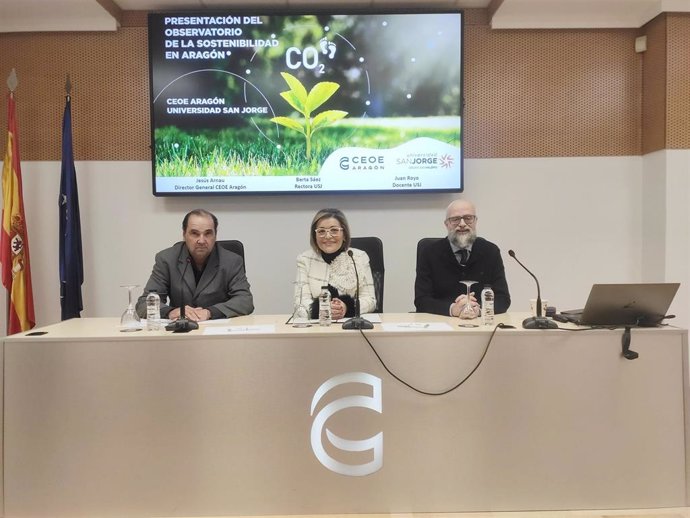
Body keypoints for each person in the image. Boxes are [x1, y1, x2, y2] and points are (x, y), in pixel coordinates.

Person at [136, 209, 253, 321]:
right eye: (194, 233)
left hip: (218, 332)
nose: (201, 240)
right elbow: (143, 304)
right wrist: (171, 312)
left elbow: (245, 301)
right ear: (184, 234)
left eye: (208, 234)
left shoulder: (231, 261)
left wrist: (209, 312)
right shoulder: (166, 259)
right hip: (180, 332)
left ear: (215, 235)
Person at [414, 199, 510, 317]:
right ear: (446, 224)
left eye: (468, 218)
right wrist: (453, 309)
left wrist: (479, 309)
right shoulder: (429, 252)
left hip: (480, 324)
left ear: (475, 221)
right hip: (441, 323)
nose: (462, 224)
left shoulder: (491, 251)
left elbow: (503, 299)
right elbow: (421, 300)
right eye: (455, 219)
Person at [294, 208, 376, 320]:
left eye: (334, 230)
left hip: (351, 327)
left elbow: (370, 300)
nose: (328, 236)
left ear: (345, 234)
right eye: (321, 231)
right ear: (315, 236)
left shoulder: (359, 258)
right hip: (317, 327)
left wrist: (346, 307)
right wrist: (324, 308)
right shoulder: (304, 260)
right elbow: (300, 303)